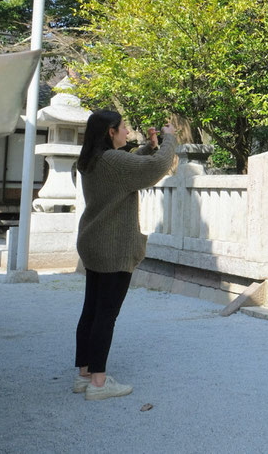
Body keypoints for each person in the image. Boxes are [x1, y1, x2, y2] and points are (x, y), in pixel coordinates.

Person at [72, 110, 177, 401]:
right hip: (113, 246)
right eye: (124, 127)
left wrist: (149, 146)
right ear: (110, 131)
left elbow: (130, 165)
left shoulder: (91, 161)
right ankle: (99, 383)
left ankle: (83, 374)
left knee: (91, 310)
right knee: (107, 314)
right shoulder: (113, 162)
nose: (128, 132)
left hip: (93, 242)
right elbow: (155, 168)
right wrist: (169, 140)